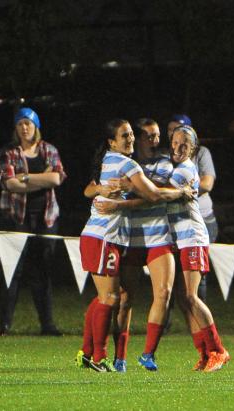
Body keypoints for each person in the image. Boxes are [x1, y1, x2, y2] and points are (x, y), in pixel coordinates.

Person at [75, 119, 191, 372]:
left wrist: (101, 190)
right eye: (125, 135)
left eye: (129, 134)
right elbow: (152, 195)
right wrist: (181, 193)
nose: (129, 139)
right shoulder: (126, 163)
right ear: (112, 141)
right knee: (112, 297)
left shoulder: (108, 159)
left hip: (105, 237)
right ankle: (99, 357)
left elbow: (88, 190)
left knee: (104, 298)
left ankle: (88, 352)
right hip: (105, 236)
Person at [0, 107, 66, 336]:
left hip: (45, 218)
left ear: (36, 126)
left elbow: (56, 178)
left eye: (28, 123)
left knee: (42, 271)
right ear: (15, 128)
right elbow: (9, 183)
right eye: (20, 124)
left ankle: (47, 324)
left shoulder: (49, 150)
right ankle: (4, 324)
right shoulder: (9, 153)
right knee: (11, 271)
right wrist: (41, 179)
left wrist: (25, 178)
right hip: (16, 218)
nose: (25, 128)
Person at [166, 125, 230, 372]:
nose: (178, 148)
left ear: (193, 149)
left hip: (193, 237)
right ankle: (204, 354)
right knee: (184, 299)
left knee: (191, 296)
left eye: (184, 145)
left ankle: (218, 350)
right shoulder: (173, 166)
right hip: (181, 238)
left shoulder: (186, 169)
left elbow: (160, 195)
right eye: (175, 143)